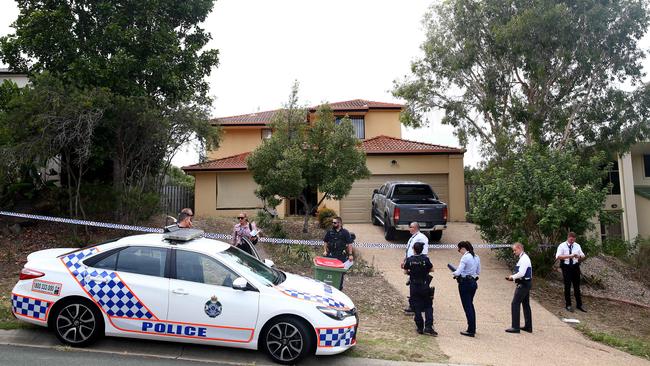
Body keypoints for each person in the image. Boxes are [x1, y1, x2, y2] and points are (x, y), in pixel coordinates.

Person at [404, 242, 437, 336]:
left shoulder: (410, 260)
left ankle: (419, 327)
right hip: (424, 285)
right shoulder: (425, 259)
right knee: (428, 306)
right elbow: (432, 269)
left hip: (414, 286)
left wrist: (412, 272)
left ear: (414, 249)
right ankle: (428, 327)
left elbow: (405, 271)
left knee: (416, 307)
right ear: (422, 250)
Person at [452, 241, 481, 337]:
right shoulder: (476, 257)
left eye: (459, 249)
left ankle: (471, 330)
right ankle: (473, 327)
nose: (459, 251)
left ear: (463, 248)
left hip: (465, 283)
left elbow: (458, 272)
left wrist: (454, 273)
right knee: (470, 305)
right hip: (473, 282)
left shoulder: (465, 257)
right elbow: (478, 271)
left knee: (467, 306)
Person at [505, 242, 533, 334]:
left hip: (524, 284)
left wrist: (512, 277)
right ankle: (528, 326)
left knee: (515, 303)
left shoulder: (524, 259)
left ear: (520, 248)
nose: (514, 252)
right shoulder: (523, 258)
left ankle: (515, 327)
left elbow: (521, 273)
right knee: (525, 304)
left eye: (515, 250)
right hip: (526, 282)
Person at [556, 232, 586, 312]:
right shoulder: (562, 245)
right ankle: (568, 305)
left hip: (575, 267)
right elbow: (558, 256)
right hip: (566, 267)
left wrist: (578, 256)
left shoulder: (577, 245)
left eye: (573, 239)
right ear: (568, 238)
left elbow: (583, 255)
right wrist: (569, 256)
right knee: (567, 286)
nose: (572, 240)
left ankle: (579, 305)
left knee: (577, 286)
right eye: (570, 239)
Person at [403, 222, 429, 313]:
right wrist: (405, 261)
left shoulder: (421, 237)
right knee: (413, 284)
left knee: (417, 285)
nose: (409, 229)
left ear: (415, 228)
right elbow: (409, 250)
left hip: (418, 265)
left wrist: (417, 263)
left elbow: (423, 252)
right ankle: (414, 304)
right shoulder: (413, 237)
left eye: (410, 227)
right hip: (412, 262)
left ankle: (416, 306)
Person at [323, 217, 354, 290]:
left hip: (340, 255)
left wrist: (350, 254)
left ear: (339, 223)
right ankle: (329, 287)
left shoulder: (345, 232)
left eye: (335, 223)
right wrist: (325, 250)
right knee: (329, 272)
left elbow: (349, 244)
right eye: (332, 222)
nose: (333, 224)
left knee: (340, 273)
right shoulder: (330, 232)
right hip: (331, 255)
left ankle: (339, 288)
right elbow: (325, 241)